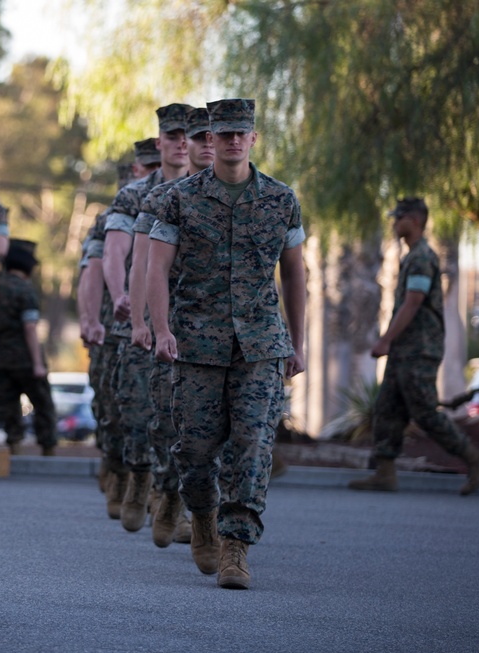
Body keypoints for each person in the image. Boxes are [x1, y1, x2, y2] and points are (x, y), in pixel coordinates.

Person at [147, 99, 307, 590]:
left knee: (253, 445)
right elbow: (156, 268)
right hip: (196, 343)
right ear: (209, 141)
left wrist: (298, 343)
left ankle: (236, 545)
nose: (235, 140)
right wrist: (161, 329)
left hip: (260, 344)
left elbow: (297, 273)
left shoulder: (281, 200)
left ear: (254, 139)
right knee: (194, 449)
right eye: (225, 133)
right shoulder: (178, 199)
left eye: (243, 133)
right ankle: (202, 515)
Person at [349, 198, 479, 495]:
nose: (393, 223)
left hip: (418, 350)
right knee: (387, 408)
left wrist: (386, 339)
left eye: (398, 217)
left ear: (414, 220)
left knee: (425, 412)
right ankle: (385, 473)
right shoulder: (412, 256)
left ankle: (476, 459)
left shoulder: (421, 258)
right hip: (404, 350)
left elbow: (414, 301)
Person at [129, 105, 214, 546]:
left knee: (223, 431)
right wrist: (145, 322)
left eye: (202, 136)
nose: (194, 144)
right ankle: (168, 496)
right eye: (188, 137)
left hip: (230, 332)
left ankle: (206, 519)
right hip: (176, 325)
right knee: (172, 420)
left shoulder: (253, 194)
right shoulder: (161, 198)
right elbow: (143, 263)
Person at [102, 104, 189, 531]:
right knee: (137, 412)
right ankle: (138, 477)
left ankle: (180, 501)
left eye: (186, 135)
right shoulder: (137, 194)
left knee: (189, 419)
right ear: (160, 142)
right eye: (171, 135)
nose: (179, 143)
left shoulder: (206, 191)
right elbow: (118, 250)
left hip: (192, 322)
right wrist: (121, 296)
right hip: (137, 319)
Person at [78, 139, 159, 510]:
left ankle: (163, 493)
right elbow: (93, 270)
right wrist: (90, 319)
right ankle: (117, 466)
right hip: (119, 323)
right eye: (145, 165)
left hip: (166, 319)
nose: (148, 170)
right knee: (116, 406)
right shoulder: (113, 215)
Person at [0, 240, 57, 456]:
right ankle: (48, 448)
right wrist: (38, 363)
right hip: (25, 359)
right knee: (42, 402)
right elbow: (30, 328)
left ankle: (14, 446)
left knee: (8, 404)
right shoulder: (25, 290)